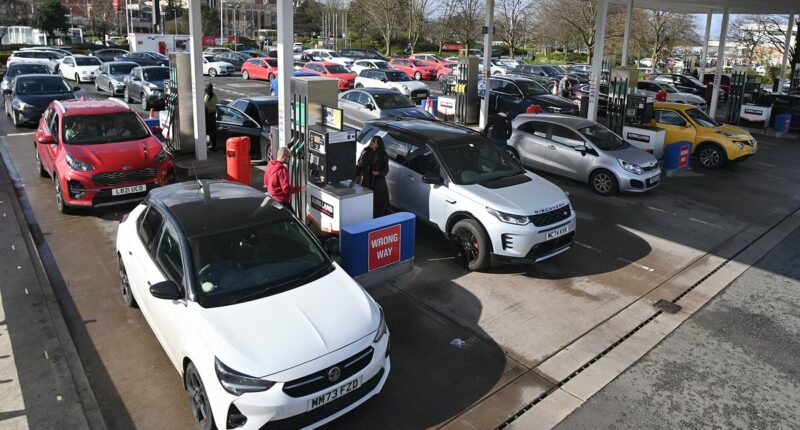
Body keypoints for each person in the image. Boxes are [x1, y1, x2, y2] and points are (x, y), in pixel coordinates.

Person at [356, 135, 390, 218]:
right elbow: (360, 164)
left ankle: (378, 217)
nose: (371, 143)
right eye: (371, 141)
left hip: (377, 182)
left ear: (378, 145)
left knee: (378, 200)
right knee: (365, 198)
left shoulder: (382, 155)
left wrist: (378, 173)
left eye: (373, 142)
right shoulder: (366, 151)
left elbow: (385, 170)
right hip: (366, 180)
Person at [265, 147, 302, 211]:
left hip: (272, 200)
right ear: (283, 156)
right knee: (292, 217)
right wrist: (300, 188)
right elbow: (286, 189)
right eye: (289, 157)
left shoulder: (270, 165)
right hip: (282, 202)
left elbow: (266, 182)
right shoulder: (282, 170)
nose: (290, 159)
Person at [204, 83, 219, 151]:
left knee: (213, 131)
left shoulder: (214, 97)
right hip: (206, 115)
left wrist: (208, 109)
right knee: (207, 131)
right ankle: (208, 144)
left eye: (208, 91)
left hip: (211, 116)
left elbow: (216, 107)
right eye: (206, 91)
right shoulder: (206, 96)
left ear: (211, 90)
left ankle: (214, 146)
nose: (207, 92)